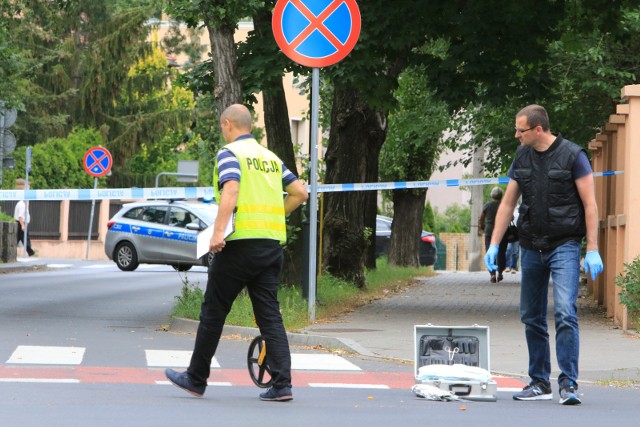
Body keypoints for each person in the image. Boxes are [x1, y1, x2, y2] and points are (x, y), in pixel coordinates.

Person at [165, 104, 308, 402]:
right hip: (270, 245)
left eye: (222, 127)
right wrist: (273, 218)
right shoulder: (270, 158)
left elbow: (231, 189)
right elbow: (300, 193)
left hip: (238, 245)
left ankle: (196, 377)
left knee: (214, 311)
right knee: (270, 315)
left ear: (228, 124)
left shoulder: (230, 153)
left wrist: (217, 233)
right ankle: (282, 385)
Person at [484, 104, 603, 406]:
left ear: (538, 129)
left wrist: (592, 248)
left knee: (565, 311)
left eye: (520, 130)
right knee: (531, 316)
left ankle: (568, 384)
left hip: (564, 244)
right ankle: (539, 382)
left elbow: (590, 204)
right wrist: (494, 245)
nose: (516, 135)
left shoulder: (573, 156)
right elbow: (508, 204)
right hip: (531, 246)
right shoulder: (522, 156)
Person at [478, 186, 508, 283]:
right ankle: (500, 273)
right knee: (501, 253)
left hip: (489, 231)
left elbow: (481, 219)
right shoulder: (504, 205)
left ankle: (492, 275)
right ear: (501, 195)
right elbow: (511, 217)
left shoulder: (487, 205)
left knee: (489, 252)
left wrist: (482, 227)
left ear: (492, 195)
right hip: (503, 231)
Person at [13, 178, 36, 257]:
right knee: (25, 239)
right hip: (20, 224)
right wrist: (22, 225)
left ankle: (29, 251)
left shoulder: (22, 203)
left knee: (19, 239)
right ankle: (30, 252)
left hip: (20, 224)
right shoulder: (22, 205)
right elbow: (20, 216)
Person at [505, 204, 520, 273]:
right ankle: (507, 266)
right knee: (508, 250)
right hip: (509, 232)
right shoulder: (508, 206)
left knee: (516, 252)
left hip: (517, 232)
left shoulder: (519, 207)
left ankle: (513, 267)